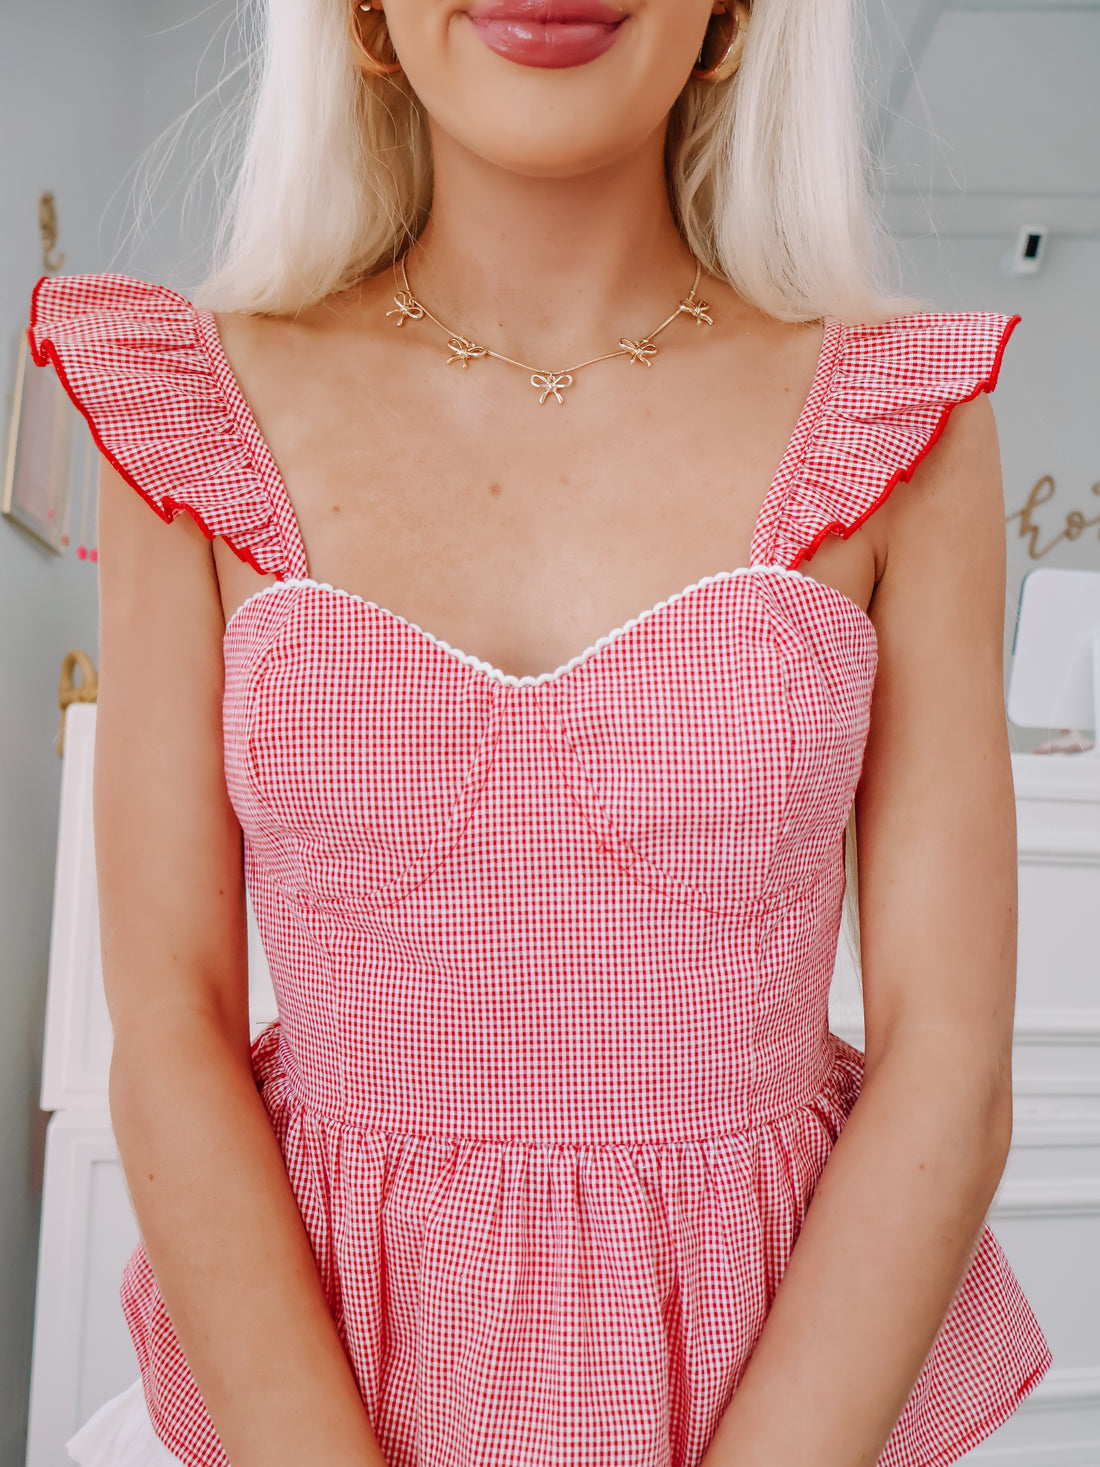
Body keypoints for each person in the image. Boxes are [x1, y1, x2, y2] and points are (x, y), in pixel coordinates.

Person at [31, 1, 1051, 1464]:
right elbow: (171, 1025)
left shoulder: (906, 423)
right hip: (294, 1406)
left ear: (737, 17)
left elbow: (950, 1053)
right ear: (365, 19)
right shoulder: (197, 409)